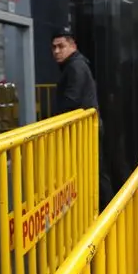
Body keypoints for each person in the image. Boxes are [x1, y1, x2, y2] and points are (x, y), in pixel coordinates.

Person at [51, 30, 113, 206]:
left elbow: (71, 99)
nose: (56, 51)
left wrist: (53, 120)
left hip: (85, 129)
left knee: (95, 170)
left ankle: (105, 210)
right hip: (85, 128)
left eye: (61, 46)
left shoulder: (75, 66)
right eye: (54, 47)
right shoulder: (76, 65)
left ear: (73, 46)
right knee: (94, 169)